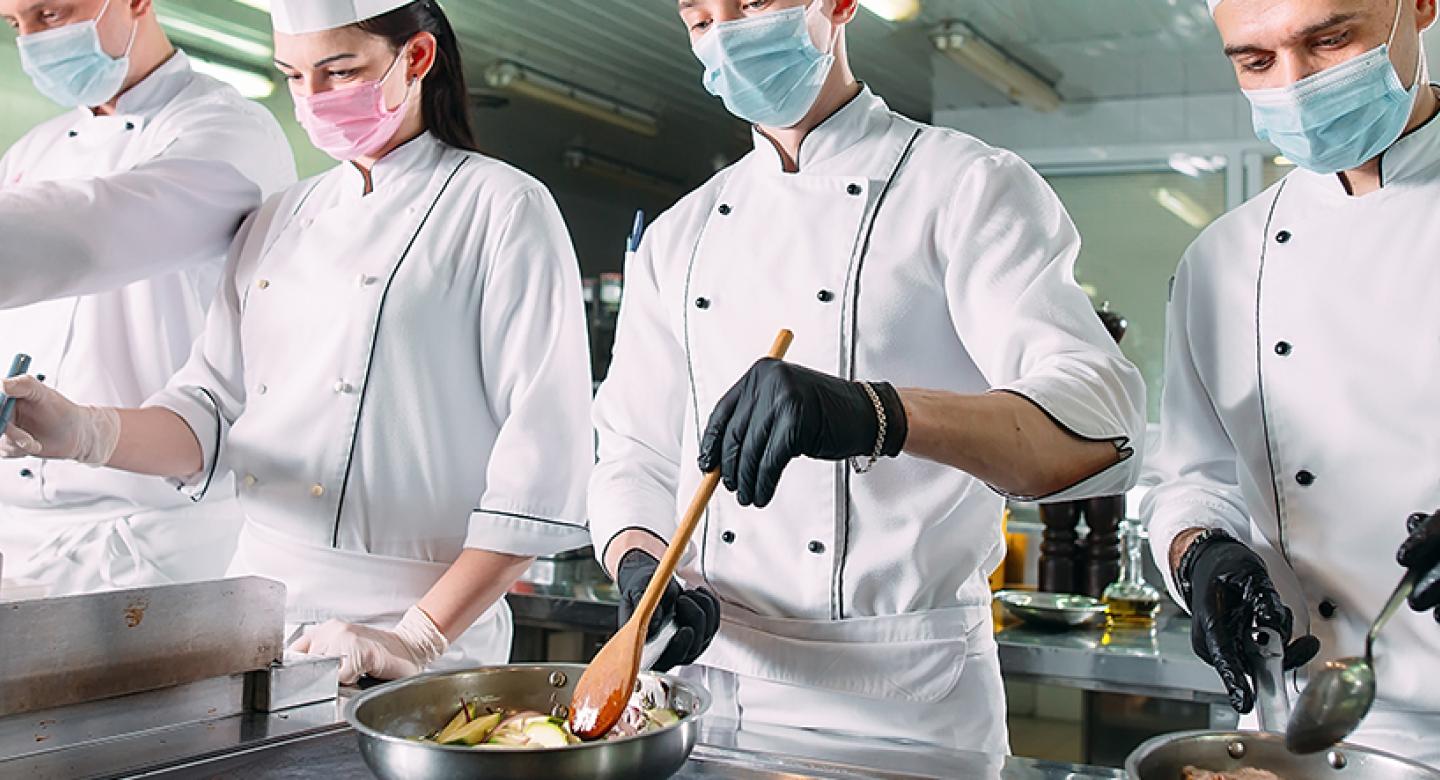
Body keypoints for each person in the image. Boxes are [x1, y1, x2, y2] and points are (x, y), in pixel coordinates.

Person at [589, 0, 1146, 752]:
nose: (727, 34)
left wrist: (876, 413)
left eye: (751, 3)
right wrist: (639, 565)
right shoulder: (677, 236)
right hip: (711, 695)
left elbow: (1103, 420)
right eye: (699, 18)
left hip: (908, 704)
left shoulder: (966, 187)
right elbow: (632, 453)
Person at [0, 0, 593, 684]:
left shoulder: (502, 208)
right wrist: (84, 431)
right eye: (294, 76)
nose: (314, 99)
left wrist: (417, 638)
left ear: (417, 59)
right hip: (258, 616)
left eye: (339, 72)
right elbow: (208, 414)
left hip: (422, 630)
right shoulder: (281, 217)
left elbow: (541, 469)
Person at [1144, 0, 1440, 765]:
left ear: (1421, 8)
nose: (1296, 85)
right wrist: (1197, 552)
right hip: (1294, 728)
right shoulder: (1223, 261)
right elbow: (1191, 477)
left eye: (1330, 39)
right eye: (1255, 61)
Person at [0, 0, 295, 594]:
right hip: (16, 526)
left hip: (146, 538)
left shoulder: (229, 130)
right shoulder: (35, 149)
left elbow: (95, 237)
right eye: (15, 24)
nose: (32, 40)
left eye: (50, 15)